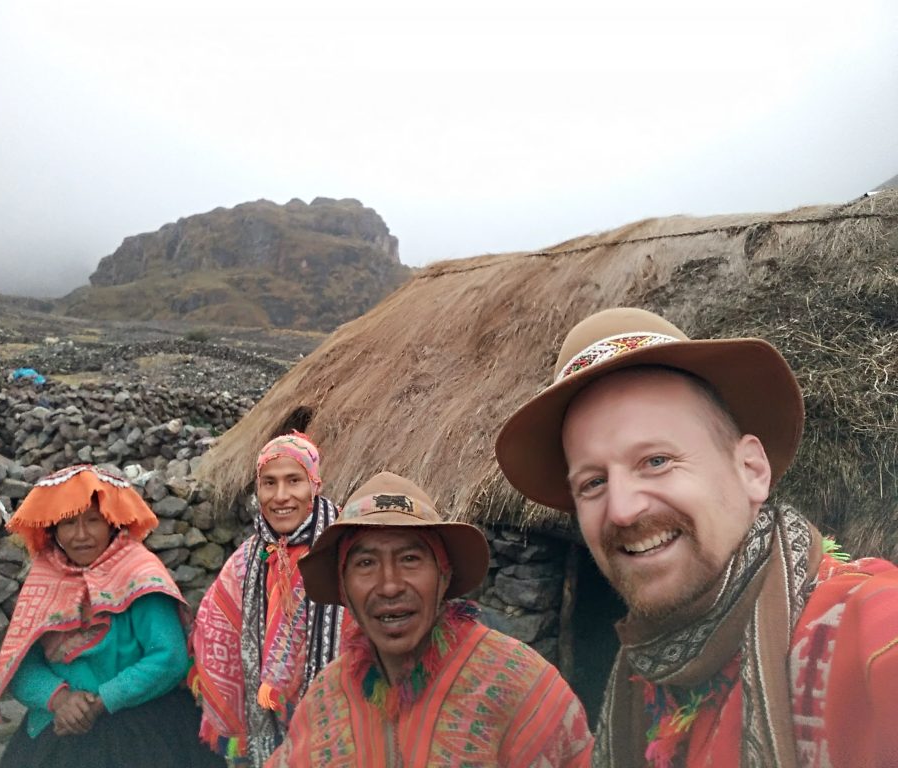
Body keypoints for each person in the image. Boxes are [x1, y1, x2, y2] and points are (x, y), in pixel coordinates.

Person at [494, 306, 898, 767]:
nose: (623, 510)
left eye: (657, 461)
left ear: (751, 470)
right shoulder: (646, 674)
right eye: (593, 483)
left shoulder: (865, 635)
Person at [268, 471, 593, 767]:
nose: (390, 585)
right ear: (343, 588)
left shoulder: (519, 683)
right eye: (365, 563)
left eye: (410, 559)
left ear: (444, 575)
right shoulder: (325, 699)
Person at [0, 463, 218, 768]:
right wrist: (59, 701)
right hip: (60, 725)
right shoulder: (44, 581)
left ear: (112, 523)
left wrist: (101, 701)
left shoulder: (140, 574)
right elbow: (20, 663)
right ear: (53, 529)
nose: (81, 535)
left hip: (142, 729)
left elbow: (169, 657)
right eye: (68, 523)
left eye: (93, 520)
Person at [189, 431, 345, 767]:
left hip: (344, 723)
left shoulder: (345, 549)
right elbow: (214, 623)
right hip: (267, 731)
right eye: (269, 483)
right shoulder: (247, 561)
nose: (281, 496)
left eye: (294, 481)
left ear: (314, 484)